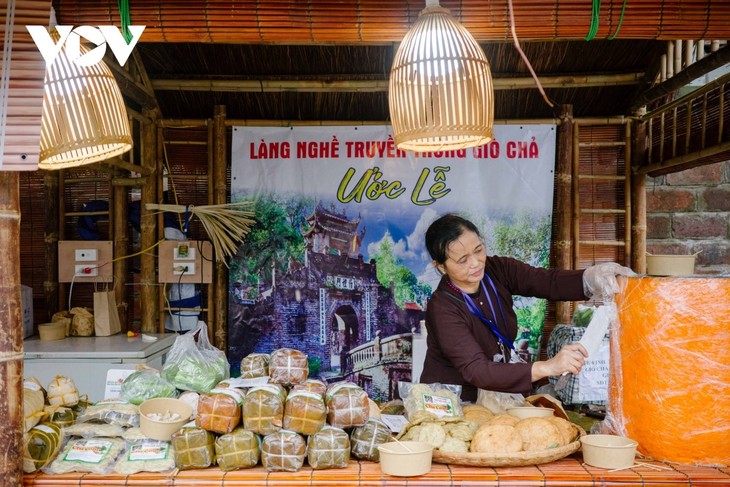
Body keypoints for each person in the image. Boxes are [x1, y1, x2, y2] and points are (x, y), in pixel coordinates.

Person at [420, 213, 633, 402]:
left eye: (478, 250)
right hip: (452, 401)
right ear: (441, 266)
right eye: (463, 260)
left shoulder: (497, 270)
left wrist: (590, 279)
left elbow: (548, 282)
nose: (476, 263)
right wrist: (547, 367)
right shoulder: (443, 307)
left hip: (495, 397)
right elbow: (477, 370)